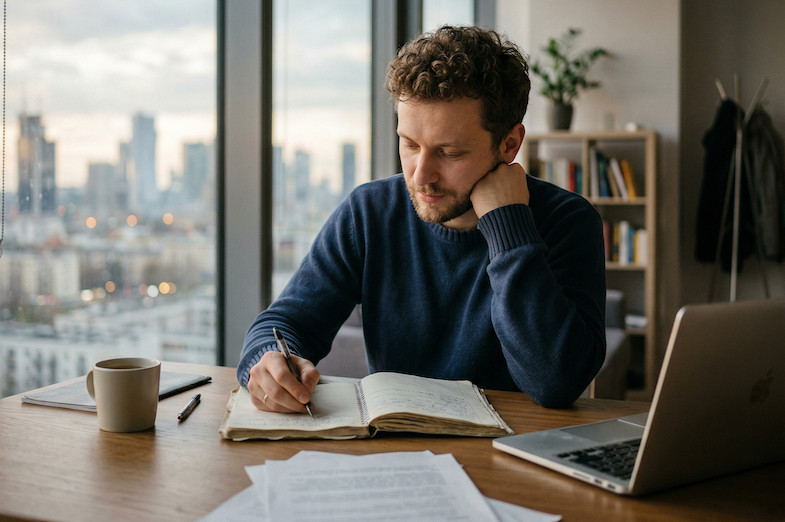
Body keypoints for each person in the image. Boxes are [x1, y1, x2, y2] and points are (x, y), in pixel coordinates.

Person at [237, 25, 606, 411]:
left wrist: (507, 225)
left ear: (510, 144)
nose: (419, 175)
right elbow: (284, 323)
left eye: (449, 152)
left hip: (514, 456)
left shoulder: (568, 221)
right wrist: (268, 362)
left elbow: (555, 382)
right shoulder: (370, 212)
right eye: (410, 144)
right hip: (398, 452)